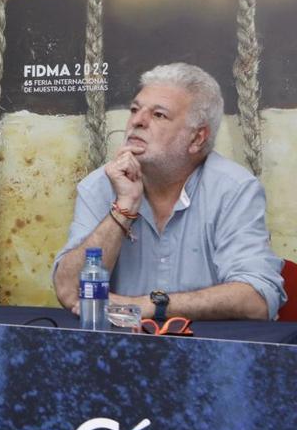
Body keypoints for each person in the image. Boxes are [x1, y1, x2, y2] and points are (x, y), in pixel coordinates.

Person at [53, 63, 285, 321]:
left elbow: (258, 299)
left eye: (159, 115)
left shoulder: (234, 189)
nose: (137, 122)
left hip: (210, 351)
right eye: (134, 109)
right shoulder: (100, 185)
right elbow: (69, 292)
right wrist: (124, 208)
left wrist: (153, 305)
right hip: (119, 350)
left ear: (197, 138)